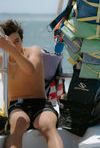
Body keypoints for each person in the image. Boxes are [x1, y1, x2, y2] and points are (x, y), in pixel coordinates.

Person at [0, 20, 64, 148]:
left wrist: (10, 48)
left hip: (40, 104)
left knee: (48, 126)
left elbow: (30, 69)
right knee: (17, 126)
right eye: (10, 43)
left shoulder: (33, 51)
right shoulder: (2, 59)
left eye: (17, 41)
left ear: (22, 39)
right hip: (17, 105)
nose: (14, 45)